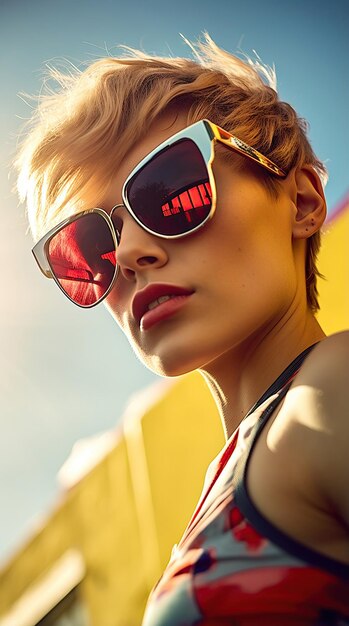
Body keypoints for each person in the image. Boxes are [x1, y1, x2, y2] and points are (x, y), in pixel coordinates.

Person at [16, 34, 349, 625]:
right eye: (91, 245)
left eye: (170, 190)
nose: (128, 255)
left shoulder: (333, 388)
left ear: (300, 202)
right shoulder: (234, 479)